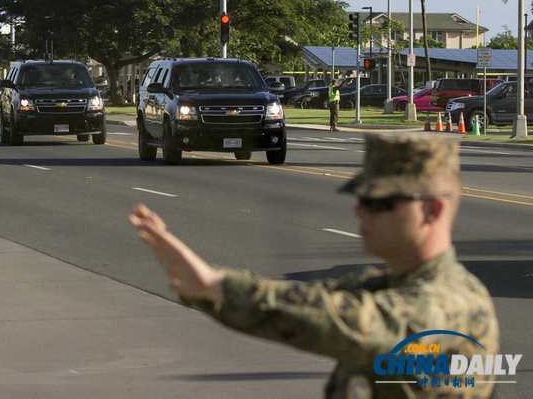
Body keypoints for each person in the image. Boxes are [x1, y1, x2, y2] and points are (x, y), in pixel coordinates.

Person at [129, 133, 499, 398]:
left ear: (431, 209)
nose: (359, 211)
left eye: (379, 202)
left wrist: (216, 285)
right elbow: (307, 298)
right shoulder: (383, 285)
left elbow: (348, 320)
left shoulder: (453, 304)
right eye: (360, 198)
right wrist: (208, 286)